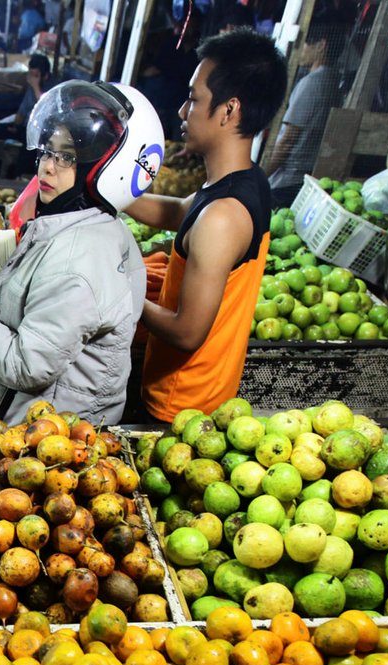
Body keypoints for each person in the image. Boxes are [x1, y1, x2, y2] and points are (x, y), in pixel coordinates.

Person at [0, 82, 165, 425]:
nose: (47, 166)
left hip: (47, 437)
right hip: (48, 422)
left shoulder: (79, 258)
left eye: (67, 157)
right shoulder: (97, 226)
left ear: (110, 169)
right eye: (48, 151)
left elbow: (26, 365)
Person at [127, 27, 286, 423]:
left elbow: (187, 332)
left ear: (229, 110)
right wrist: (110, 190)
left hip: (179, 406)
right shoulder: (244, 181)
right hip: (200, 395)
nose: (183, 111)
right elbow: (177, 213)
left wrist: (122, 292)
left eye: (194, 99)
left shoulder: (223, 216)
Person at [265, 18, 348, 207]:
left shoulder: (312, 83)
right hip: (304, 178)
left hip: (287, 180)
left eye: (304, 44)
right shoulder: (333, 82)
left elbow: (287, 140)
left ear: (321, 45)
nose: (300, 49)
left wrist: (260, 177)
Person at [14, 53, 50, 127]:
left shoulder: (52, 90)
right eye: (30, 74)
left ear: (45, 76)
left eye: (35, 76)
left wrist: (36, 88)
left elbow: (48, 112)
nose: (31, 79)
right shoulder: (31, 88)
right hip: (24, 127)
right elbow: (21, 114)